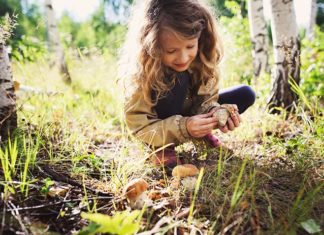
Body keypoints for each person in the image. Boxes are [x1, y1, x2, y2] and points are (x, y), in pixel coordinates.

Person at [119, 0, 255, 168]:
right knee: (178, 77)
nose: (183, 58)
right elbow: (140, 127)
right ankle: (162, 148)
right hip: (159, 125)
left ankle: (203, 134)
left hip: (187, 111)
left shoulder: (203, 58)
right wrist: (185, 127)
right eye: (171, 51)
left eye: (190, 46)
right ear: (153, 46)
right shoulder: (144, 72)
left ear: (200, 37)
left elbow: (205, 100)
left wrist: (213, 113)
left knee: (245, 94)